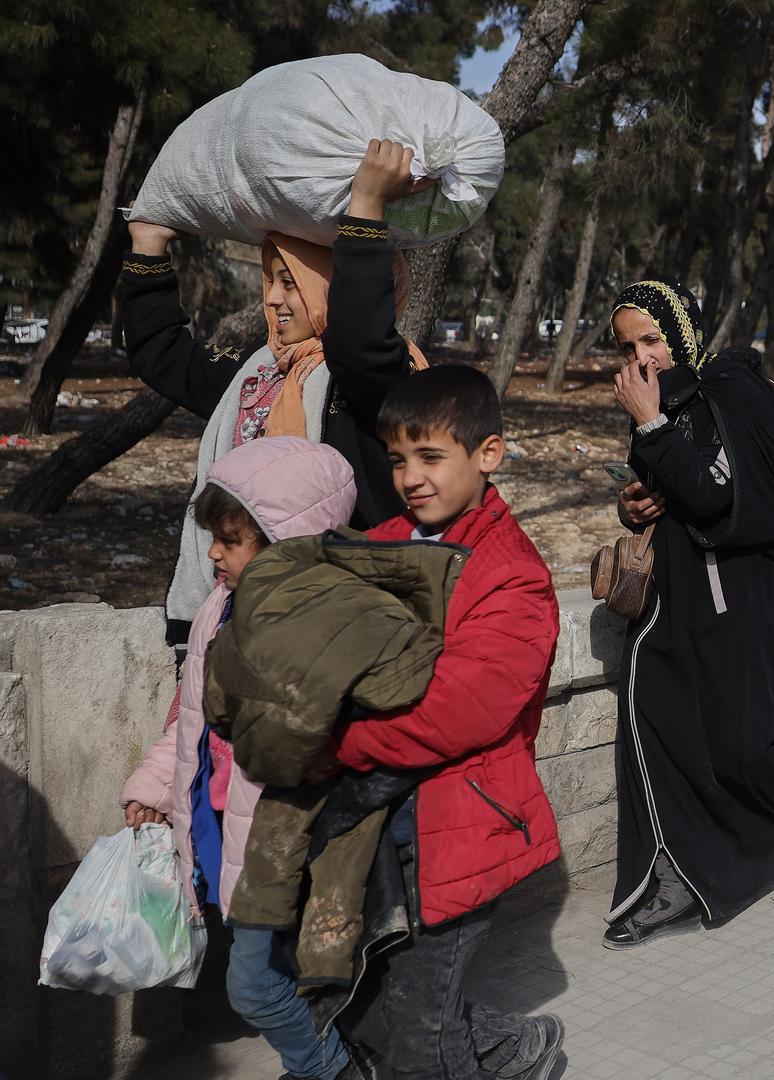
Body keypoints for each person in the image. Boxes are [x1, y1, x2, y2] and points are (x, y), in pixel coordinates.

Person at [603, 280, 774, 943]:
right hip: (670, 603)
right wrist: (634, 505)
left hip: (737, 599)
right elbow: (666, 492)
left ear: (680, 336)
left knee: (743, 746)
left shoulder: (727, 397)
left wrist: (650, 426)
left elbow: (713, 495)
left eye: (651, 340)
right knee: (660, 735)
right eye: (627, 347)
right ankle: (671, 876)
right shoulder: (661, 404)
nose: (640, 357)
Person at [330, 365, 565, 1079]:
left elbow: (456, 711)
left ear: (488, 454)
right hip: (373, 826)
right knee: (370, 998)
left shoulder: (512, 575)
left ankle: (494, 1052)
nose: (410, 478)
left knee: (422, 1040)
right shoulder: (378, 544)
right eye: (398, 459)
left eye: (430, 457)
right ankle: (513, 1048)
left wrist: (335, 738)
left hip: (456, 829)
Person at [120, 437, 362, 1080]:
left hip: (284, 842)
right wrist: (155, 786)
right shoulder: (217, 611)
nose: (214, 554)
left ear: (286, 542)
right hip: (227, 830)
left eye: (230, 540)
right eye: (214, 539)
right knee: (284, 974)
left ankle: (328, 1069)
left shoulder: (321, 627)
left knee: (255, 988)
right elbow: (190, 719)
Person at [122, 140, 430, 643]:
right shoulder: (260, 374)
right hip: (238, 616)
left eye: (290, 283)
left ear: (329, 284)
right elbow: (164, 356)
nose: (271, 298)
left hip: (335, 625)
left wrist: (366, 204)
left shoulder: (380, 379)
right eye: (270, 280)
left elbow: (358, 341)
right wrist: (148, 242)